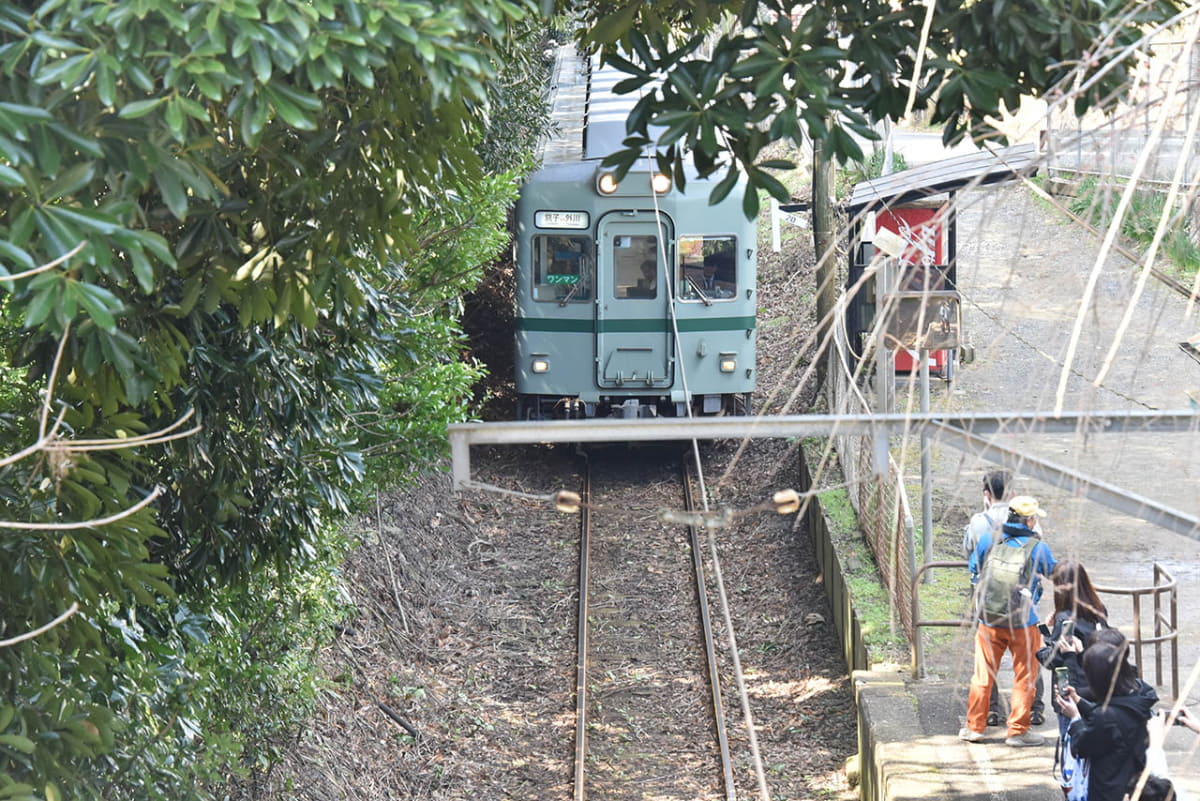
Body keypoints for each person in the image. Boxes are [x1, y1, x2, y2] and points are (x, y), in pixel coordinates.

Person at [960, 496, 1056, 746]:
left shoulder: (988, 539)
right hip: (1023, 622)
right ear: (1030, 520)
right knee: (1024, 676)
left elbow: (974, 567)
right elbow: (1054, 572)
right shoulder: (1037, 547)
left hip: (989, 620)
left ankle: (975, 728)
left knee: (983, 674)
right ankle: (1017, 731)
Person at [1057, 638, 1159, 801]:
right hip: (1134, 782)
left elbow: (1082, 747)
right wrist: (1079, 701)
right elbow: (1115, 722)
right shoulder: (1139, 696)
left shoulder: (1105, 716)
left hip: (1108, 788)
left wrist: (1075, 718)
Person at [1038, 561, 1109, 738]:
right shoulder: (1098, 610)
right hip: (1097, 686)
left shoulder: (1064, 619)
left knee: (1072, 745)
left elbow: (1053, 659)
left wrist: (1042, 639)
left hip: (1071, 689)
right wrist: (1051, 632)